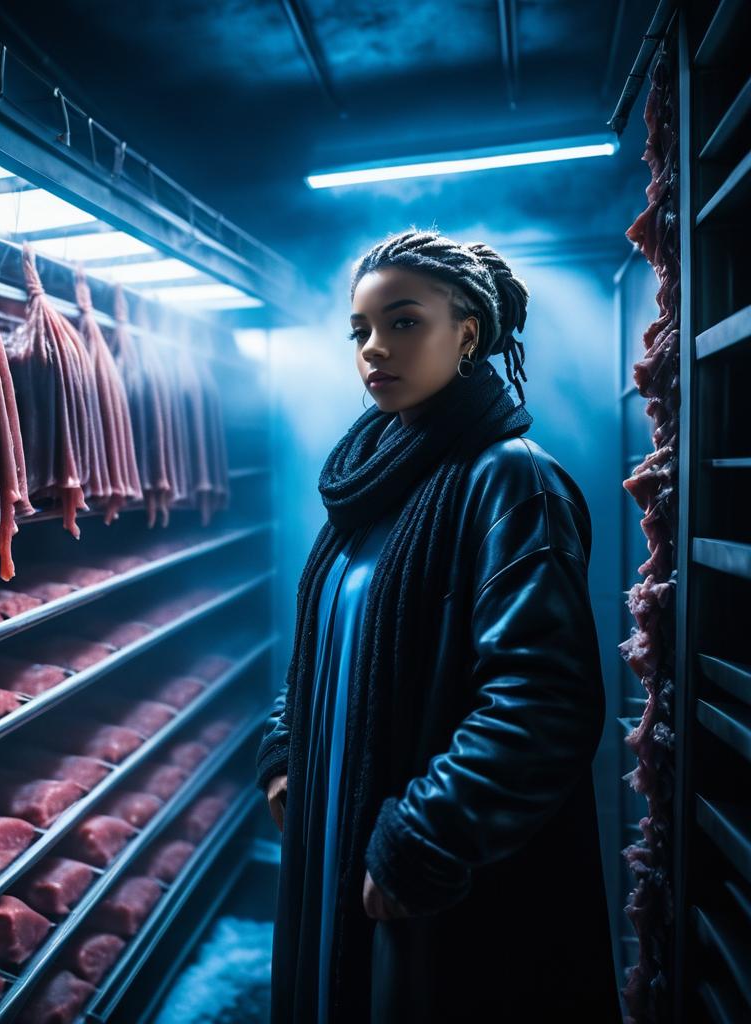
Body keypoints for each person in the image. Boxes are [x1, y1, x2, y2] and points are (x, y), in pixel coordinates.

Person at [254, 228, 621, 1023]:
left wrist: (426, 839)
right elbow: (317, 647)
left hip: (435, 871)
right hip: (336, 831)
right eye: (361, 330)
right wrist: (287, 751)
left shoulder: (514, 480)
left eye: (404, 322)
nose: (374, 349)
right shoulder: (373, 481)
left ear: (468, 334)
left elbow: (542, 703)